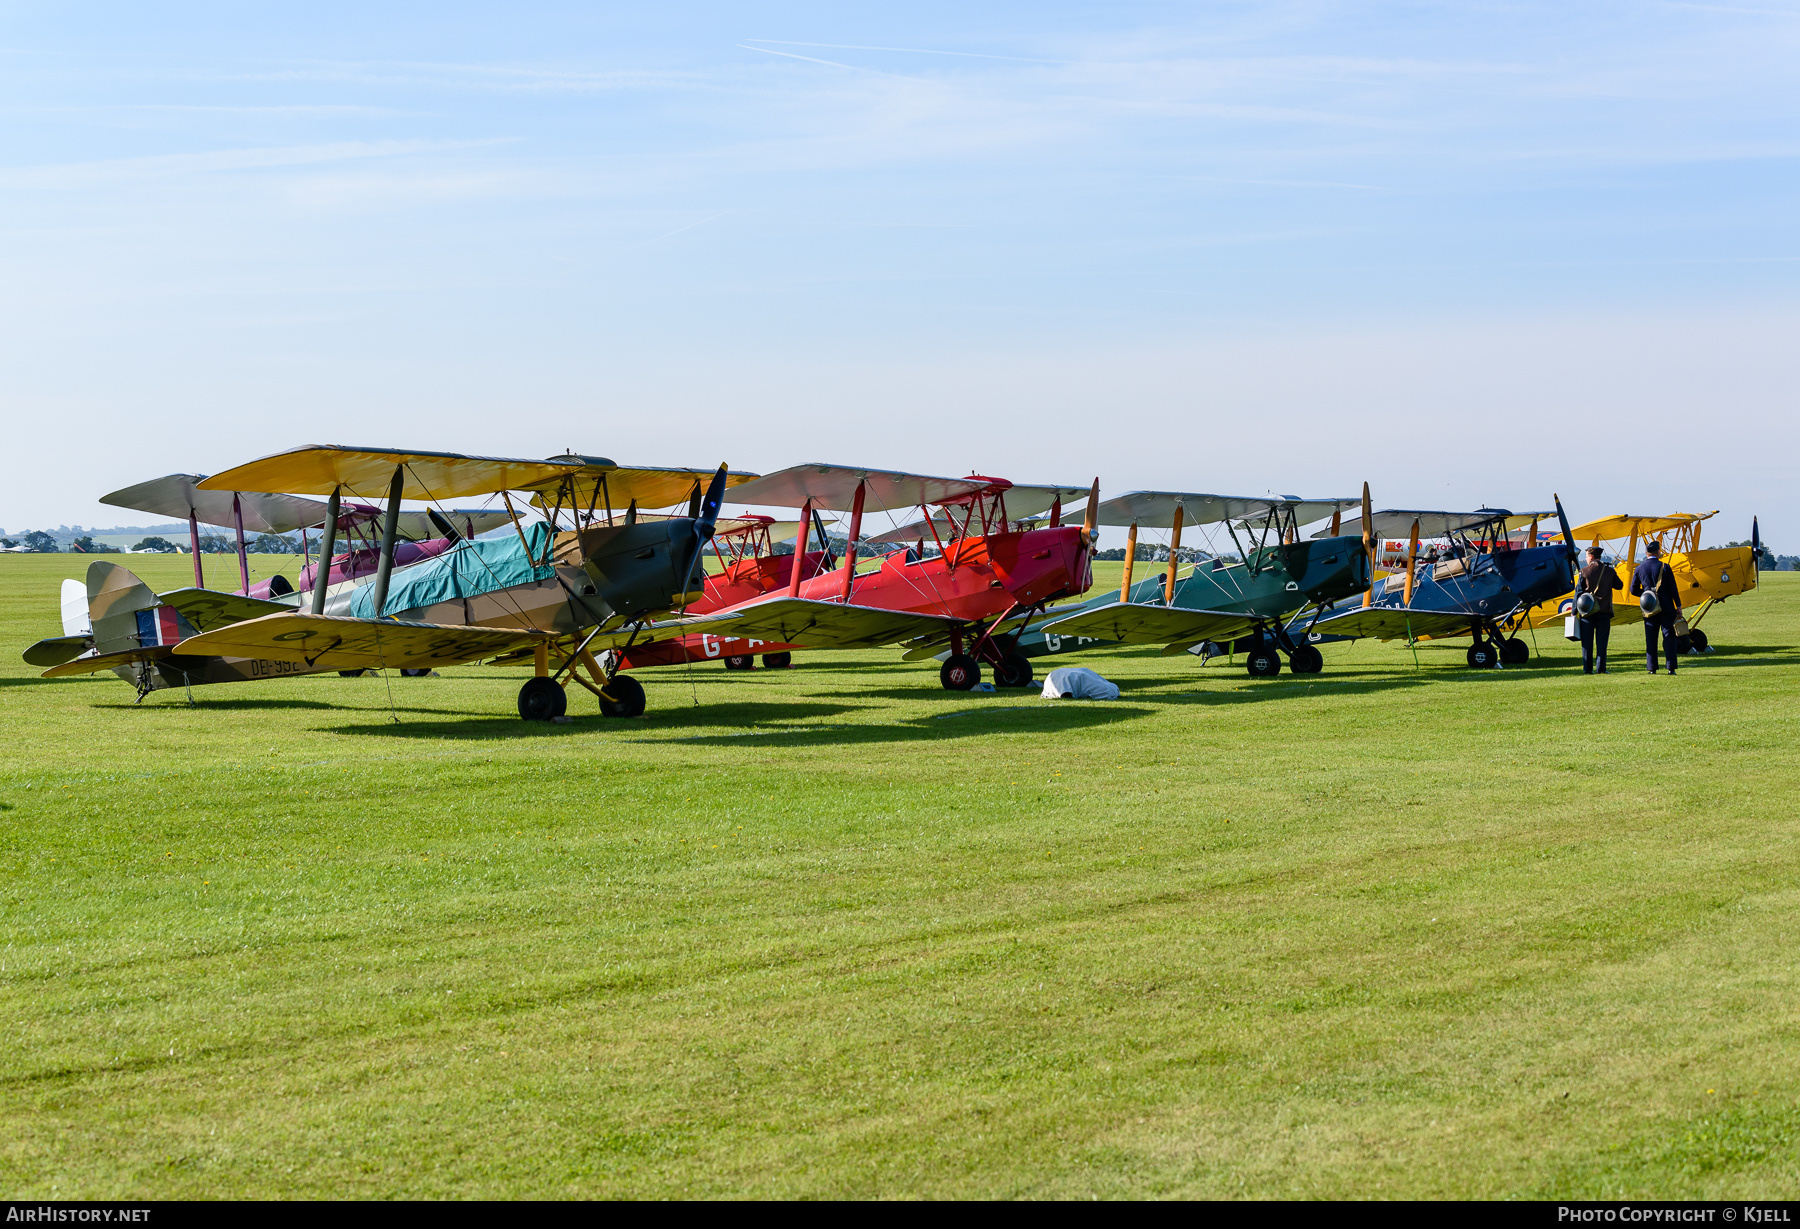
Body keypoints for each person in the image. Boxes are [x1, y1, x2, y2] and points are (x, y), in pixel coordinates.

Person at [1630, 539, 1683, 675]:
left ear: (1647, 553)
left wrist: (1646, 595)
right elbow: (1673, 588)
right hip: (1666, 607)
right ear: (1658, 552)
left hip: (1649, 607)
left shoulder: (1639, 568)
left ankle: (1652, 668)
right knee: (1669, 635)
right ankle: (1671, 668)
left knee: (1651, 637)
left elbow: (1633, 590)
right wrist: (1678, 605)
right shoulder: (1665, 567)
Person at [1571, 546, 1622, 673]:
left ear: (1591, 557)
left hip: (1587, 613)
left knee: (1587, 643)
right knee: (1602, 643)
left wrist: (1573, 612)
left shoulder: (1584, 571)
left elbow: (1578, 593)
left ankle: (1587, 669)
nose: (1587, 559)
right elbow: (1619, 585)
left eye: (1587, 556)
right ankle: (1601, 669)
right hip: (1604, 612)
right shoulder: (1610, 571)